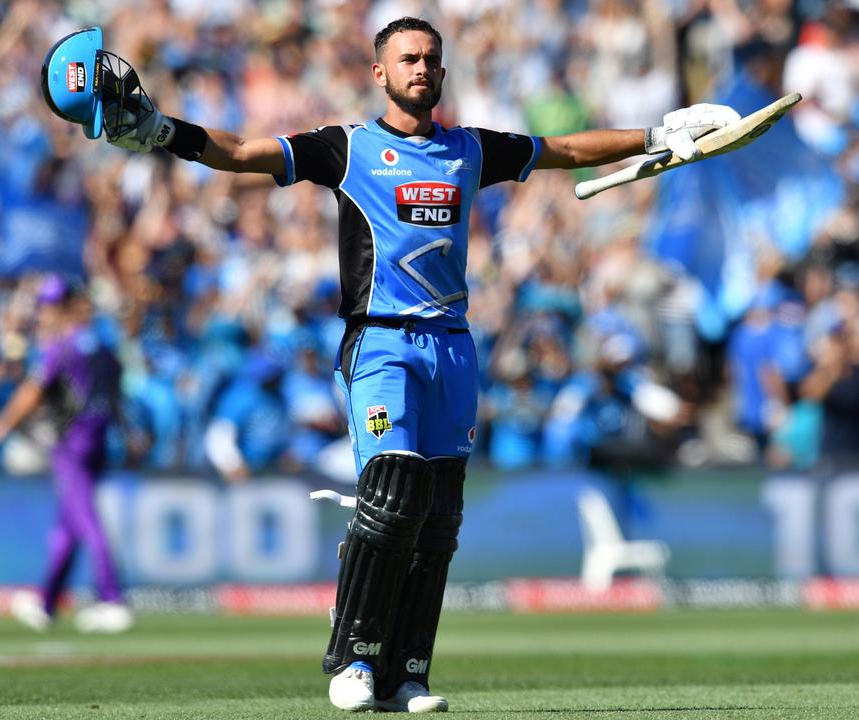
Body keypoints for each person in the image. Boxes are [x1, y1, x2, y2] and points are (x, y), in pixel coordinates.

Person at [66, 17, 741, 712]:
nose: (421, 67)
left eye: (431, 58)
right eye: (407, 58)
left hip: (453, 348)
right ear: (379, 74)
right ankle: (354, 659)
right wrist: (161, 130)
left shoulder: (469, 150)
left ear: (442, 74)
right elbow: (239, 151)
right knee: (390, 494)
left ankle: (406, 672)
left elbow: (566, 148)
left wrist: (658, 137)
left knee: (438, 520)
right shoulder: (346, 149)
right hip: (382, 343)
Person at [0, 275, 133, 634]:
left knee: (86, 520)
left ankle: (112, 599)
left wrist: (3, 424)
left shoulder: (62, 345)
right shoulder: (102, 343)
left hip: (71, 441)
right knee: (69, 526)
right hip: (97, 437)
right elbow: (115, 387)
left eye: (48, 307)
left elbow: (34, 389)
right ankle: (47, 602)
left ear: (64, 308)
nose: (43, 314)